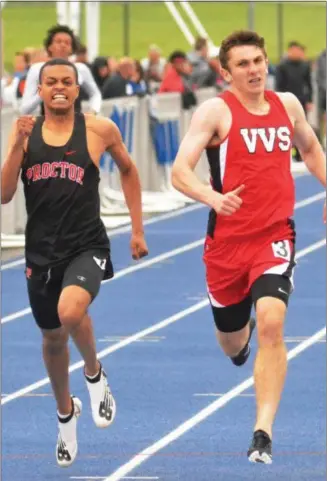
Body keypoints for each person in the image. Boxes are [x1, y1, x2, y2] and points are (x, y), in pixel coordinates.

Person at [171, 30, 326, 464]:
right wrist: (212, 196)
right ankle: (241, 344)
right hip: (226, 247)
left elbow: (311, 148)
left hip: (274, 235)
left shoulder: (287, 105)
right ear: (226, 72)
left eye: (258, 61)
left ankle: (263, 430)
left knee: (273, 324)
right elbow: (180, 172)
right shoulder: (215, 112)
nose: (254, 70)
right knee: (232, 342)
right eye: (243, 64)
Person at [1, 58, 148, 467]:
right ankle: (66, 415)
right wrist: (15, 146)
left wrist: (137, 230)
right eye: (52, 82)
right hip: (41, 252)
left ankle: (95, 374)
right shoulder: (25, 132)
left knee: (71, 309)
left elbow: (130, 170)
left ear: (78, 87)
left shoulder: (98, 129)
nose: (60, 88)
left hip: (87, 244)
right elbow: (4, 194)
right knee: (51, 339)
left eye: (67, 81)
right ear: (41, 89)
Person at [20, 24, 101, 115]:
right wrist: (42, 94)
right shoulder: (37, 69)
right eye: (58, 42)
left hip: (76, 125)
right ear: (49, 47)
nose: (63, 45)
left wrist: (93, 111)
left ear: (72, 49)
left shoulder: (81, 69)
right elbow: (24, 109)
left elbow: (95, 94)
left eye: (67, 43)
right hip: (46, 125)